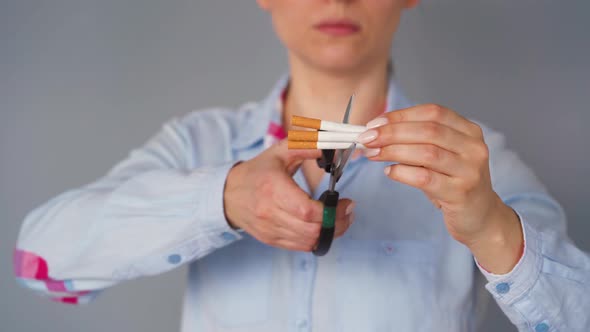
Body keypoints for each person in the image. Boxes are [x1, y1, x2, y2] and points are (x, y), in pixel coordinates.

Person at [13, 1, 590, 331]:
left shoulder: (475, 161)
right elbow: (39, 264)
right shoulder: (200, 143)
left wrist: (492, 229)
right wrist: (222, 199)